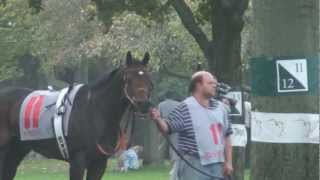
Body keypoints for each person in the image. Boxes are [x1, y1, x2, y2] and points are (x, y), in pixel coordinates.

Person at [150, 71, 233, 180]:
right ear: (198, 85)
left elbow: (227, 135)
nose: (215, 85)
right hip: (194, 165)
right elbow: (167, 127)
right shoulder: (185, 108)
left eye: (215, 83)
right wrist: (158, 119)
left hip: (217, 164)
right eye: (210, 83)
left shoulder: (221, 108)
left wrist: (229, 162)